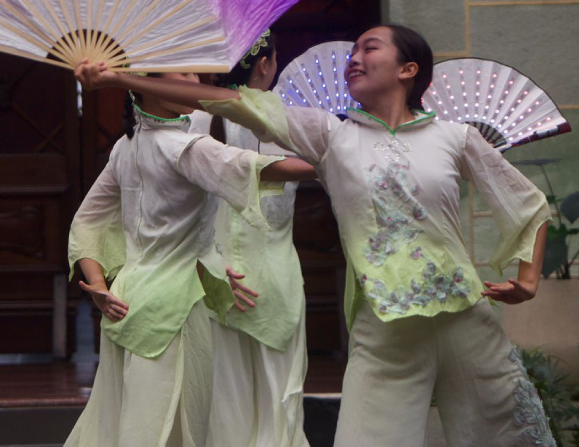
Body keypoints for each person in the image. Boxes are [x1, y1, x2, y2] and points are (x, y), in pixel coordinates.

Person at [75, 24, 554, 447]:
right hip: (383, 325)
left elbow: (528, 203)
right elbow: (224, 100)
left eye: (370, 48)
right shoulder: (331, 136)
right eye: (353, 53)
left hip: (465, 314)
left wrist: (528, 279)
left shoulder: (455, 137)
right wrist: (117, 79)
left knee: (504, 431)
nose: (355, 58)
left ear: (409, 69)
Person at [64, 70, 315, 447]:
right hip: (176, 308)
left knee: (122, 422)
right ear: (144, 85)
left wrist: (99, 286)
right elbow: (262, 169)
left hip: (128, 300)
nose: (191, 80)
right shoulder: (184, 146)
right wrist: (332, 159)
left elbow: (87, 221)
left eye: (193, 72)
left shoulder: (125, 147)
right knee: (172, 430)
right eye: (179, 73)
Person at [188, 29, 310, 447]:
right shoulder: (285, 120)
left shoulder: (193, 118)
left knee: (222, 406)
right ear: (265, 64)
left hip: (213, 277)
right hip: (274, 278)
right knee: (280, 405)